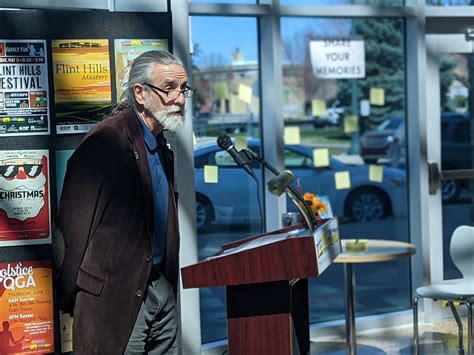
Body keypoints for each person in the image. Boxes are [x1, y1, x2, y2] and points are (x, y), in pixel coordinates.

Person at [54, 50, 191, 354]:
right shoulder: (106, 141)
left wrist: (167, 287)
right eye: (169, 88)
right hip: (114, 300)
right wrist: (72, 297)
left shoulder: (159, 142)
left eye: (183, 89)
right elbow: (72, 231)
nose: (180, 99)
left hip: (161, 291)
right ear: (140, 93)